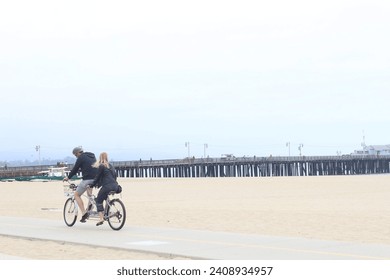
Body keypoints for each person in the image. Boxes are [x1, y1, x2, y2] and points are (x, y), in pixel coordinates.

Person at [63, 147, 98, 223]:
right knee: (89, 195)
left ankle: (84, 213)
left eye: (75, 155)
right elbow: (89, 166)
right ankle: (89, 207)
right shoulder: (92, 155)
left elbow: (75, 169)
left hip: (87, 179)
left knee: (76, 195)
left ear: (78, 153)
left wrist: (68, 177)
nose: (76, 156)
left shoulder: (81, 158)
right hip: (95, 179)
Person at [89, 152, 119, 226]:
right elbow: (115, 176)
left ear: (100, 158)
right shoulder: (111, 166)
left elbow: (97, 177)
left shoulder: (101, 166)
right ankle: (107, 212)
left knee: (99, 200)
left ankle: (101, 218)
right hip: (115, 186)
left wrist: (91, 185)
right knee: (104, 196)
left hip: (107, 186)